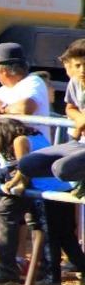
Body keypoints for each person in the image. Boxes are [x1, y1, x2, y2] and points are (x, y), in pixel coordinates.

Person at [0, 120, 59, 285]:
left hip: (40, 185)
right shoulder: (37, 136)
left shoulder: (19, 140)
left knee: (4, 213)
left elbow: (25, 169)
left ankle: (7, 269)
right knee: (40, 225)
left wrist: (12, 184)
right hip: (52, 185)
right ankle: (41, 268)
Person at [19, 38, 85, 197]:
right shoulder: (75, 82)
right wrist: (79, 118)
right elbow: (70, 108)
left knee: (62, 169)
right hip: (81, 143)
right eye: (78, 65)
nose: (82, 70)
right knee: (27, 164)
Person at [0, 43, 50, 140]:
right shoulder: (7, 88)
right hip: (10, 150)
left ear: (3, 71)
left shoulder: (33, 82)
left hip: (34, 150)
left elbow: (25, 107)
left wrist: (1, 108)